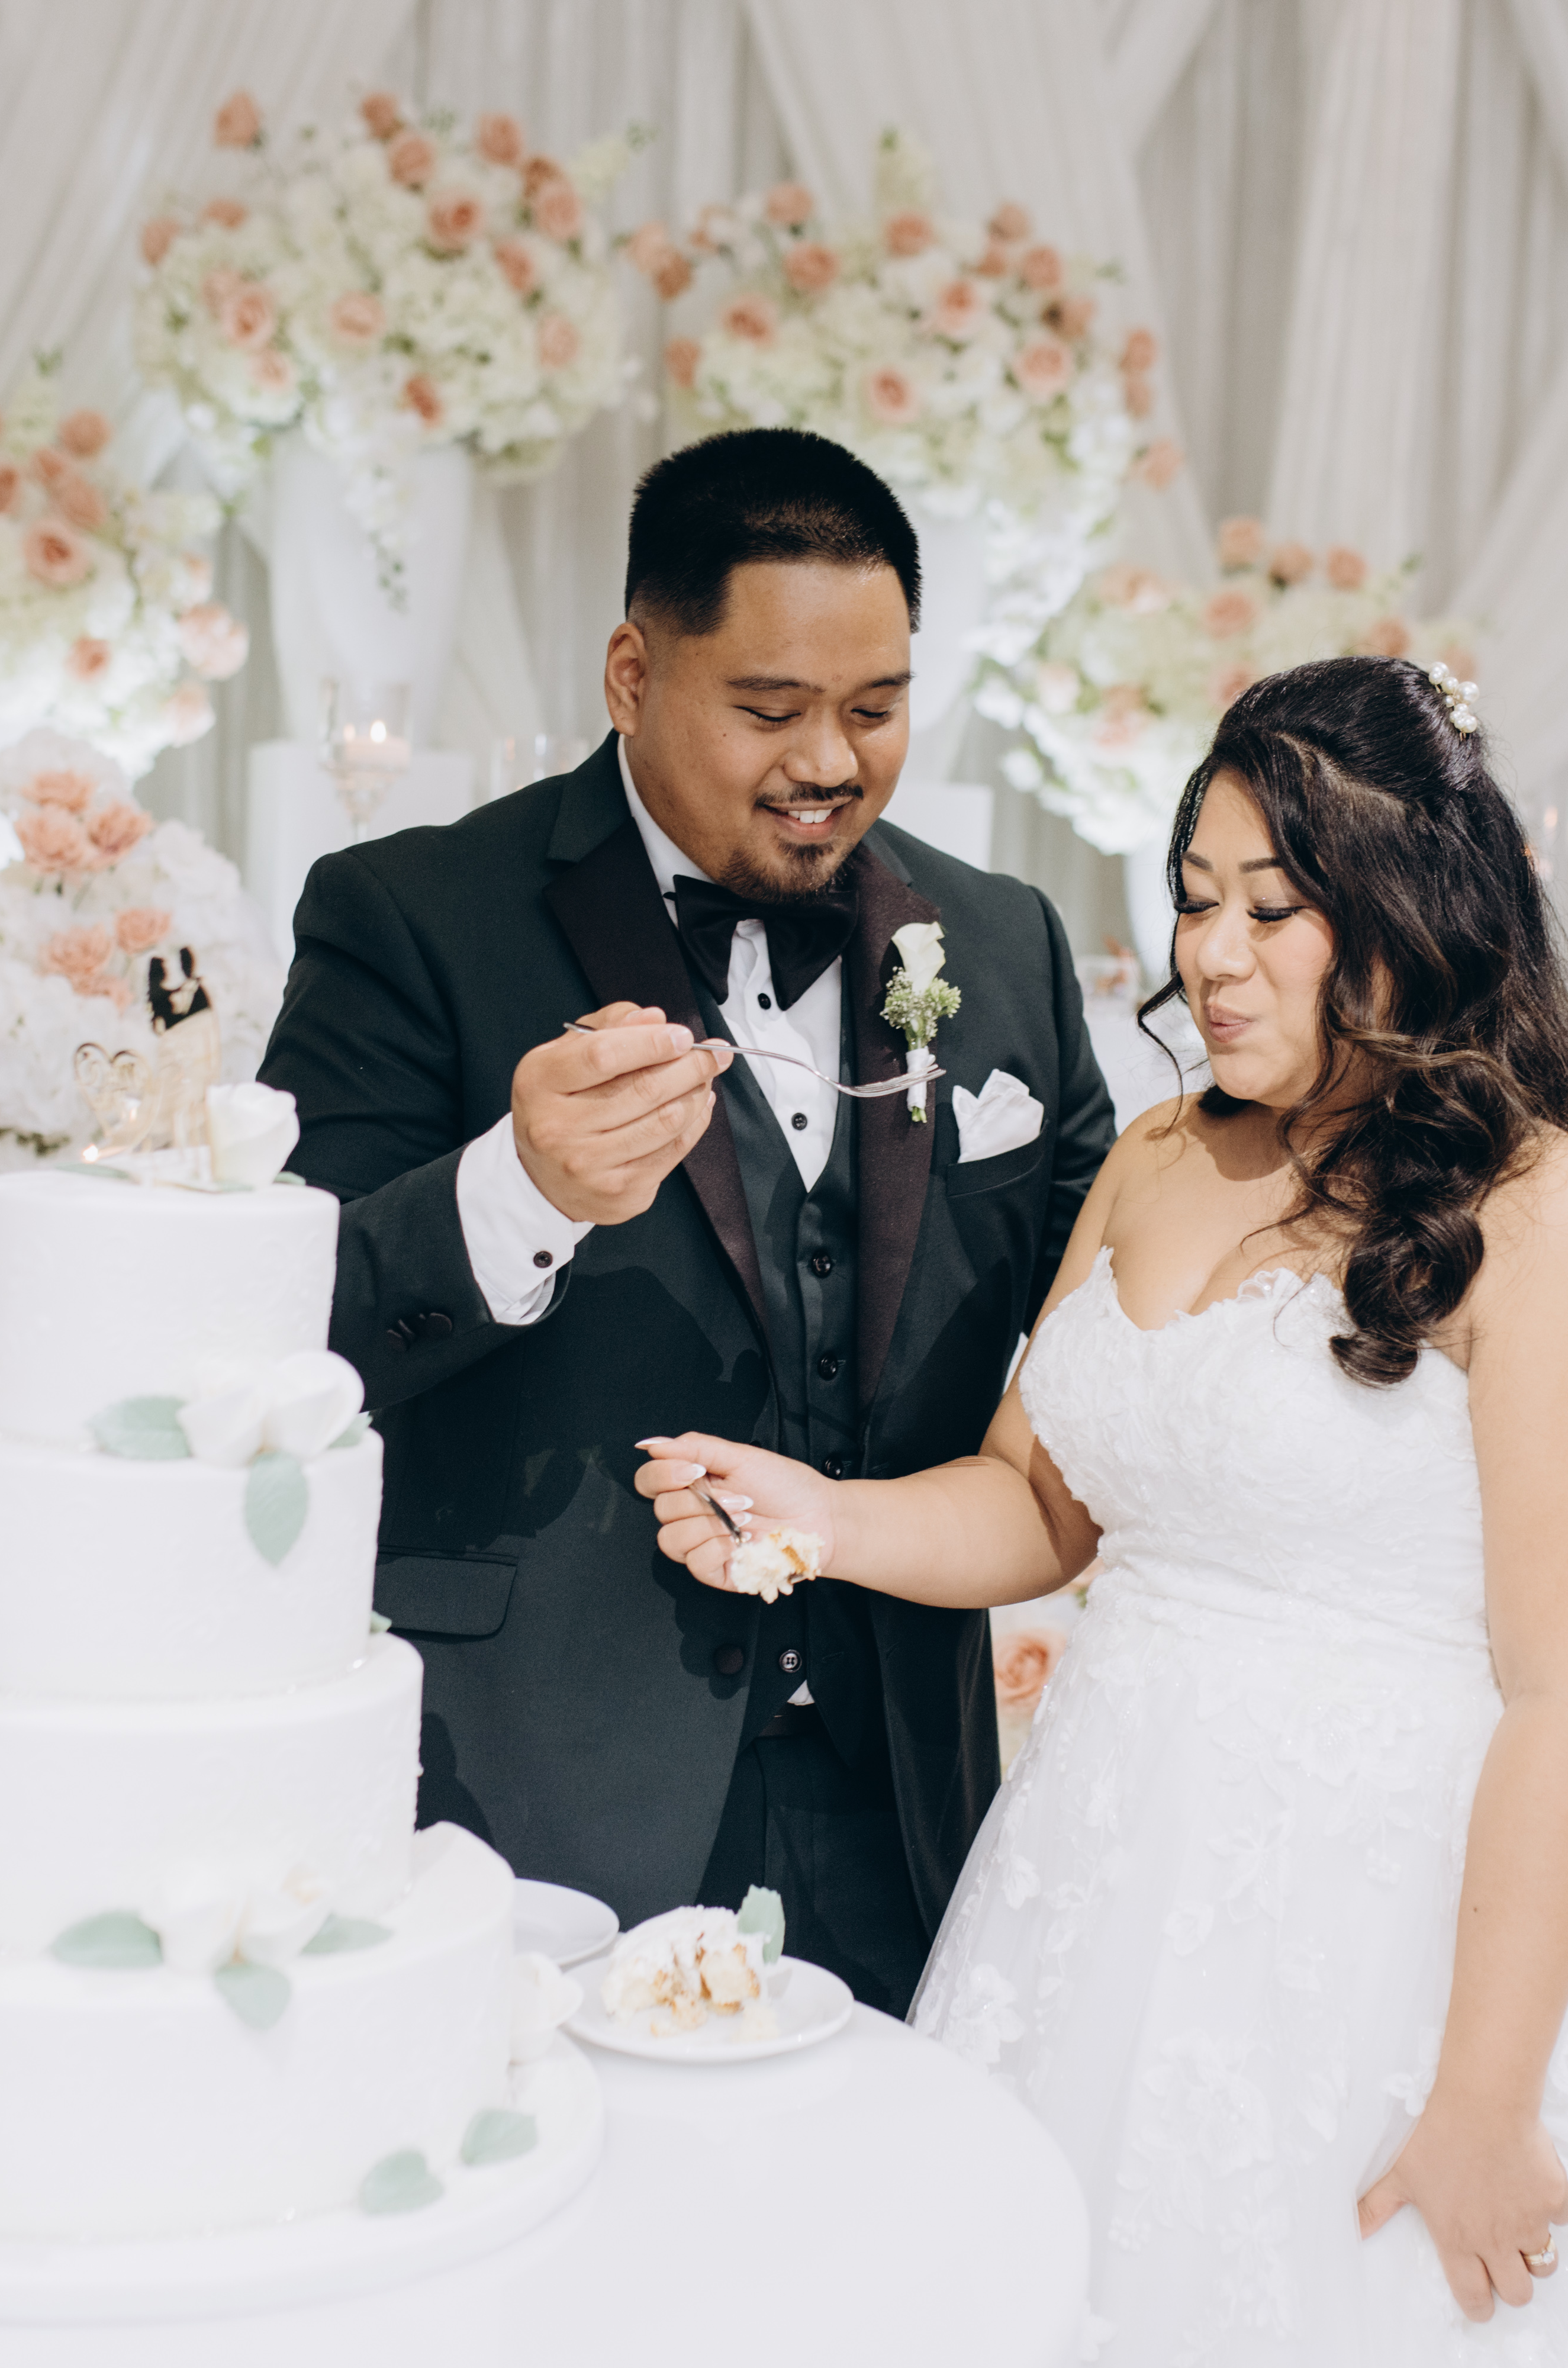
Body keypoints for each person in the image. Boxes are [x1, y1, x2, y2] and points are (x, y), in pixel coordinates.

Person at [638, 658, 1568, 2359]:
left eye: (1274, 909)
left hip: (1389, 1936)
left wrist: (1486, 2097)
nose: (1210, 953)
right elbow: (1039, 1506)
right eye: (1197, 900)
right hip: (1102, 1878)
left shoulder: (1547, 1219)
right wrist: (821, 1516)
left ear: (1411, 914)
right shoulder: (1158, 1157)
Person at [257, 427, 1115, 2016]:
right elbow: (284, 1334)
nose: (830, 762)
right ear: (632, 676)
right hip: (531, 1793)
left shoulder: (1003, 945)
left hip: (905, 1805)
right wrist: (519, 1191)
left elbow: (1114, 1321)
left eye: (877, 708)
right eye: (770, 711)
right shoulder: (411, 917)